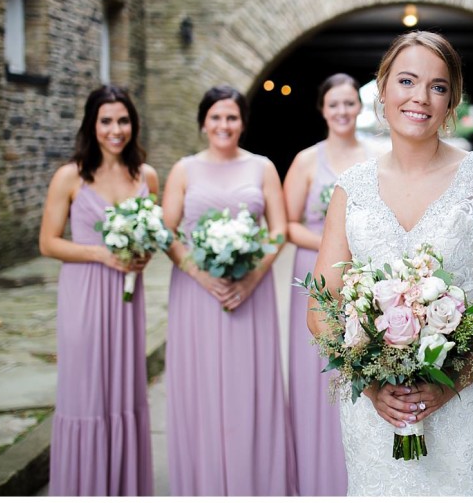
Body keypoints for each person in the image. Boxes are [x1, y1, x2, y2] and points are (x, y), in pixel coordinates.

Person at [307, 31, 473, 496]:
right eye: (407, 80)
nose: (420, 97)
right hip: (376, 414)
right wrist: (371, 387)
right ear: (382, 89)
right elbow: (320, 307)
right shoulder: (351, 189)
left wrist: (450, 385)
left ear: (452, 102)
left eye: (438, 86)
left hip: (466, 407)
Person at [161, 85, 296, 495]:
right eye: (216, 117)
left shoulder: (262, 167)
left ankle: (253, 483)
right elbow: (166, 232)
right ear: (204, 122)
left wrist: (252, 277)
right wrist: (201, 276)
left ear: (242, 123)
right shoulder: (184, 169)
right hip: (195, 294)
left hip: (250, 294)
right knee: (200, 389)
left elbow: (278, 230)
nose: (224, 125)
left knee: (247, 388)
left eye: (232, 117)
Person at [39, 85, 157, 495]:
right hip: (85, 296)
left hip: (126, 300)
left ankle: (122, 487)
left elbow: (151, 237)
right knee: (85, 392)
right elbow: (48, 242)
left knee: (123, 389)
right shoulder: (70, 176)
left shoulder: (146, 176)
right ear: (92, 124)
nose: (115, 129)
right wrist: (101, 254)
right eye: (106, 120)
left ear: (132, 124)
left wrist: (142, 256)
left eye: (123, 120)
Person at [283, 73, 372, 495]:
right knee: (319, 372)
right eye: (334, 104)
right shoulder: (305, 160)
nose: (342, 111)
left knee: (366, 358)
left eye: (349, 103)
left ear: (360, 107)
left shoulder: (377, 156)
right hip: (315, 273)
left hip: (364, 277)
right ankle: (318, 480)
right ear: (323, 109)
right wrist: (335, 242)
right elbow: (287, 224)